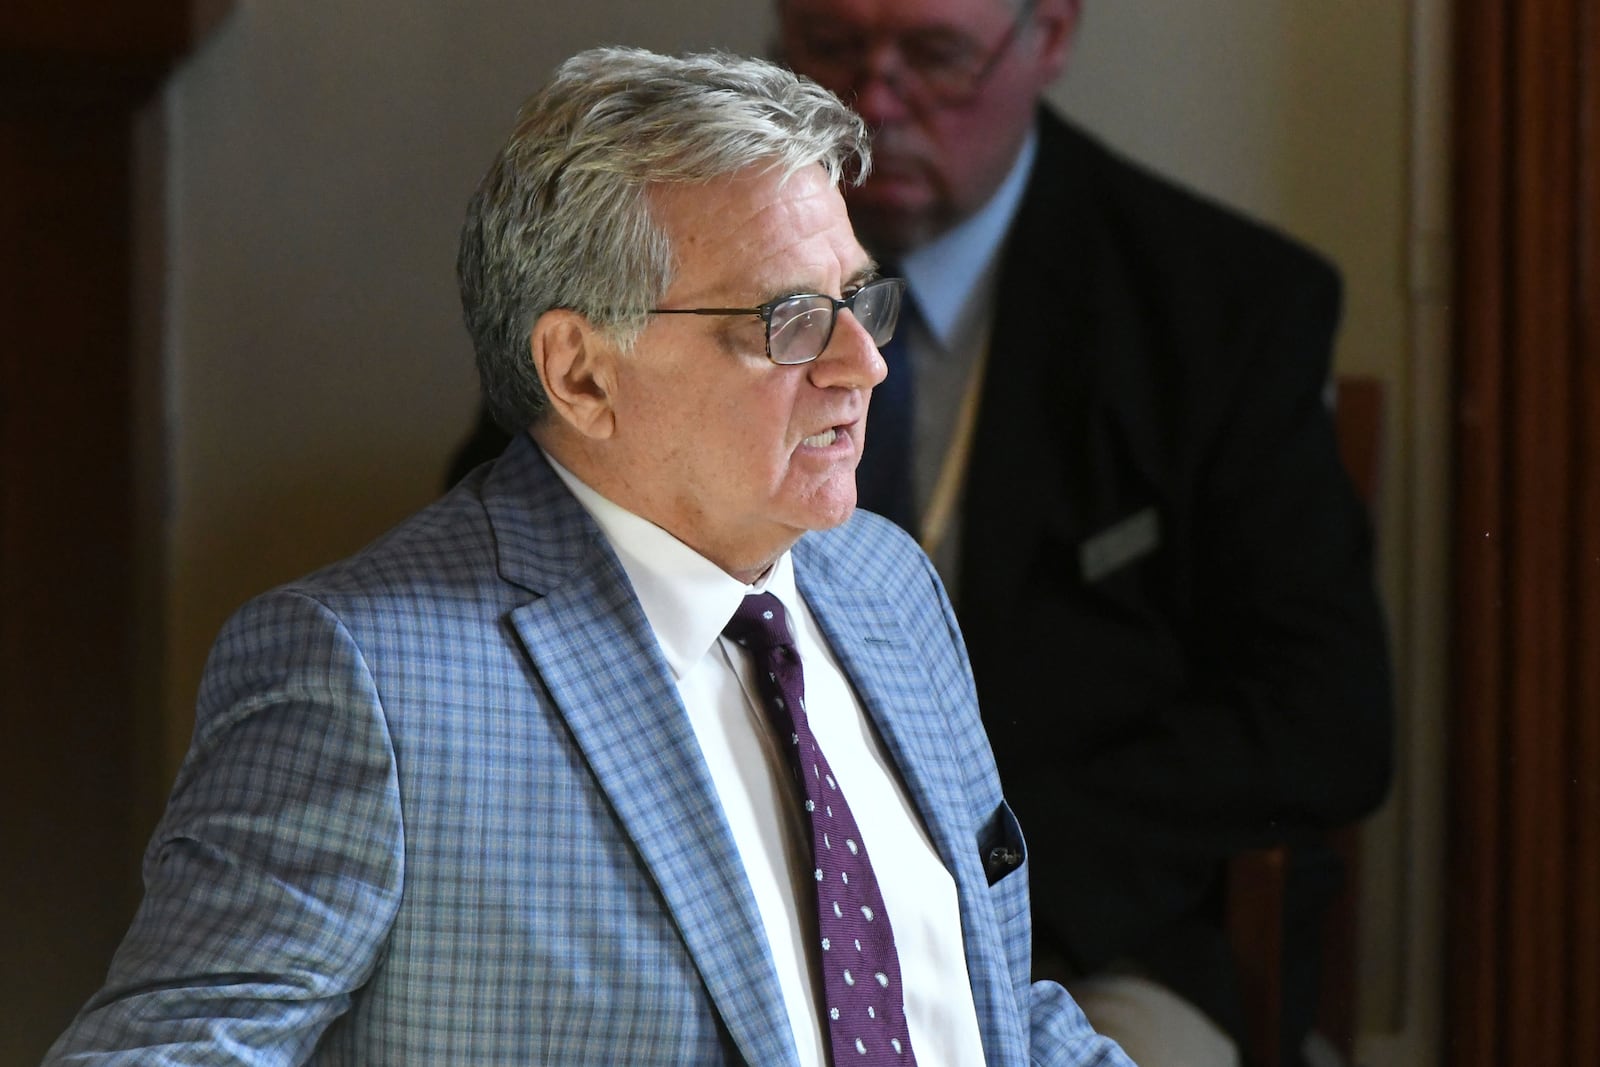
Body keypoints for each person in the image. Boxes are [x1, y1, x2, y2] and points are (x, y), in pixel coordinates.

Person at [43, 46, 1133, 1066]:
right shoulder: (365, 678)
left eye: (858, 299)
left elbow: (982, 998)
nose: (865, 365)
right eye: (791, 319)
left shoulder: (885, 581)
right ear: (580, 374)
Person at [448, 4, 1394, 1065]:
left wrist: (961, 872)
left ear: (1049, 36)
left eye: (935, 56)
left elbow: (1325, 714)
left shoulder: (1220, 305)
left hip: (1101, 932)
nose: (876, 97)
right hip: (691, 910)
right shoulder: (649, 250)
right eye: (836, 48)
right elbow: (512, 565)